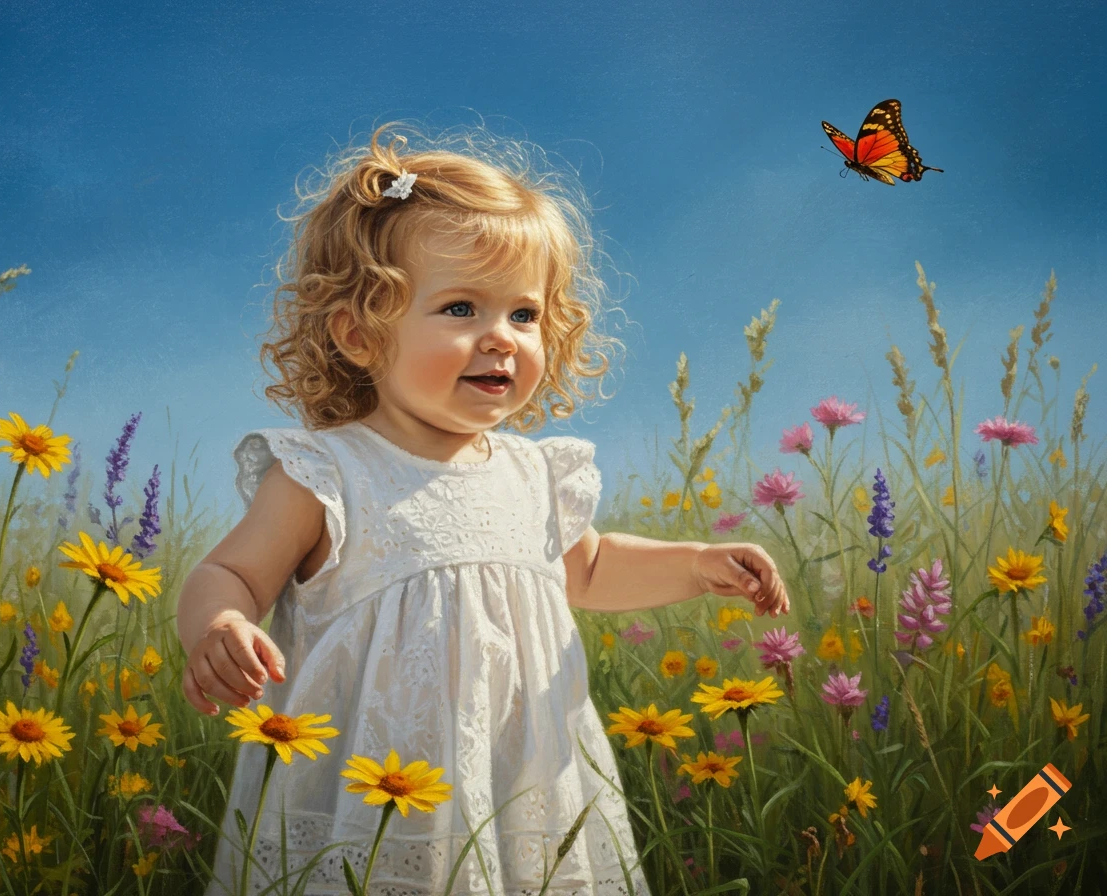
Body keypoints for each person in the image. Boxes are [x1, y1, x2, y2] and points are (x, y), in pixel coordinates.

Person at [176, 120, 791, 896]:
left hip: (522, 787)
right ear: (360, 334)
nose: (501, 338)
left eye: (524, 316)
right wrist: (221, 623)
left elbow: (591, 570)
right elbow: (231, 570)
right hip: (370, 796)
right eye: (462, 308)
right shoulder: (327, 472)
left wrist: (697, 566)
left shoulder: (533, 474)